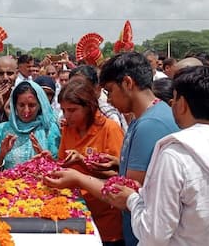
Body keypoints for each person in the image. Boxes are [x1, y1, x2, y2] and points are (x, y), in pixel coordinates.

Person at [44, 52, 179, 246]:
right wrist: (117, 164)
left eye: (109, 91)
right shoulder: (145, 118)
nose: (108, 100)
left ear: (127, 83)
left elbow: (128, 193)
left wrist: (79, 178)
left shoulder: (150, 124)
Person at [110, 65, 209, 246]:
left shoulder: (175, 154)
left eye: (173, 100)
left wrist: (132, 199)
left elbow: (154, 234)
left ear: (182, 104)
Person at [55, 78, 125, 245]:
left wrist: (83, 162)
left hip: (106, 218)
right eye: (64, 110)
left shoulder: (110, 128)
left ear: (89, 107)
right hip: (76, 214)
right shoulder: (67, 129)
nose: (67, 116)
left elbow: (119, 175)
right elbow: (62, 162)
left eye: (72, 110)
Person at [0, 80, 60, 171]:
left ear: (40, 105)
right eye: (21, 105)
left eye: (32, 105)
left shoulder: (49, 129)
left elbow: (59, 168)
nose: (26, 111)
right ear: (14, 105)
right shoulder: (2, 129)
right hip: (7, 184)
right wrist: (1, 156)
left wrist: (45, 158)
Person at [70, 65, 128, 132]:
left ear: (97, 88)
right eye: (72, 86)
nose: (76, 91)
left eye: (81, 87)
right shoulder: (67, 116)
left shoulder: (109, 115)